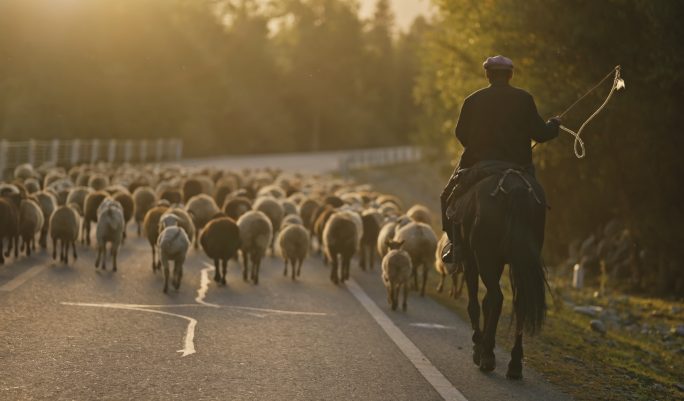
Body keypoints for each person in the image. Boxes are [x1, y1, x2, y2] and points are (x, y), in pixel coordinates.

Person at [440, 55, 561, 264]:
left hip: (479, 167)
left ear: (487, 75)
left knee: (446, 197)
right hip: (519, 167)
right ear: (511, 75)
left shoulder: (472, 100)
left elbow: (461, 135)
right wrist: (554, 124)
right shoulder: (524, 98)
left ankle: (455, 247)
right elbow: (541, 134)